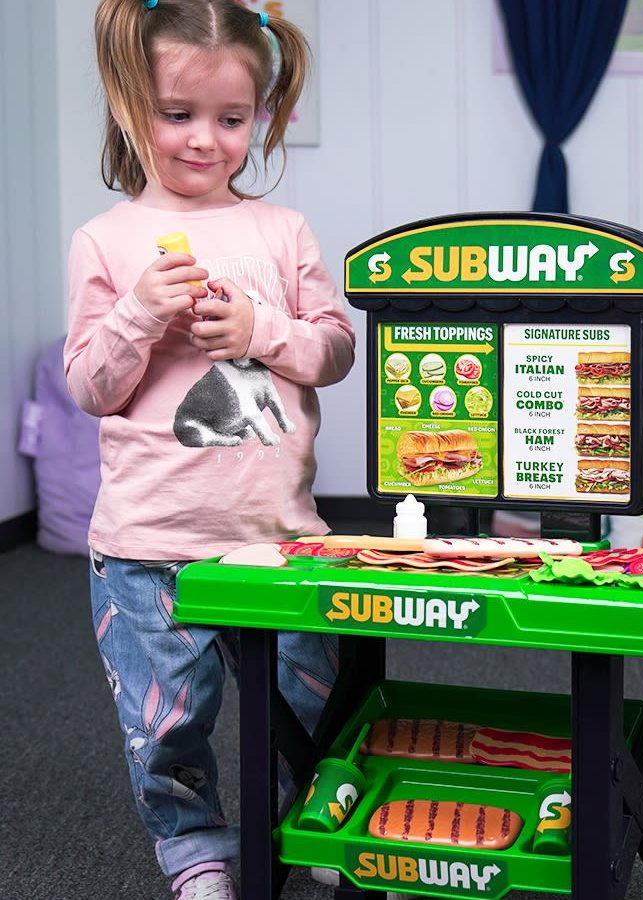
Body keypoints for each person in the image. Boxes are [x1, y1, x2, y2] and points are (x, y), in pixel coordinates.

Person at [66, 2, 355, 898]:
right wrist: (142, 312)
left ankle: (298, 834)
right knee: (169, 724)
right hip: (149, 546)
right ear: (129, 105)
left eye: (232, 120)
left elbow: (335, 350)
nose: (205, 140)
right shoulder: (106, 242)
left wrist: (262, 328)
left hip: (278, 537)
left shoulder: (284, 232)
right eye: (178, 114)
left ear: (261, 117)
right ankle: (194, 853)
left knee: (308, 710)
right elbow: (92, 388)